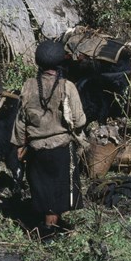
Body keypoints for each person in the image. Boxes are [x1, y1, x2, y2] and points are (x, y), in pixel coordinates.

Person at [11, 40, 86, 240]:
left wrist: (19, 144)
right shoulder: (67, 87)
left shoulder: (28, 86)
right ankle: (49, 231)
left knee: (42, 188)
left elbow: (20, 121)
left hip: (36, 149)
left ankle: (48, 224)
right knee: (58, 191)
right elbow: (80, 120)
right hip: (61, 148)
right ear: (60, 62)